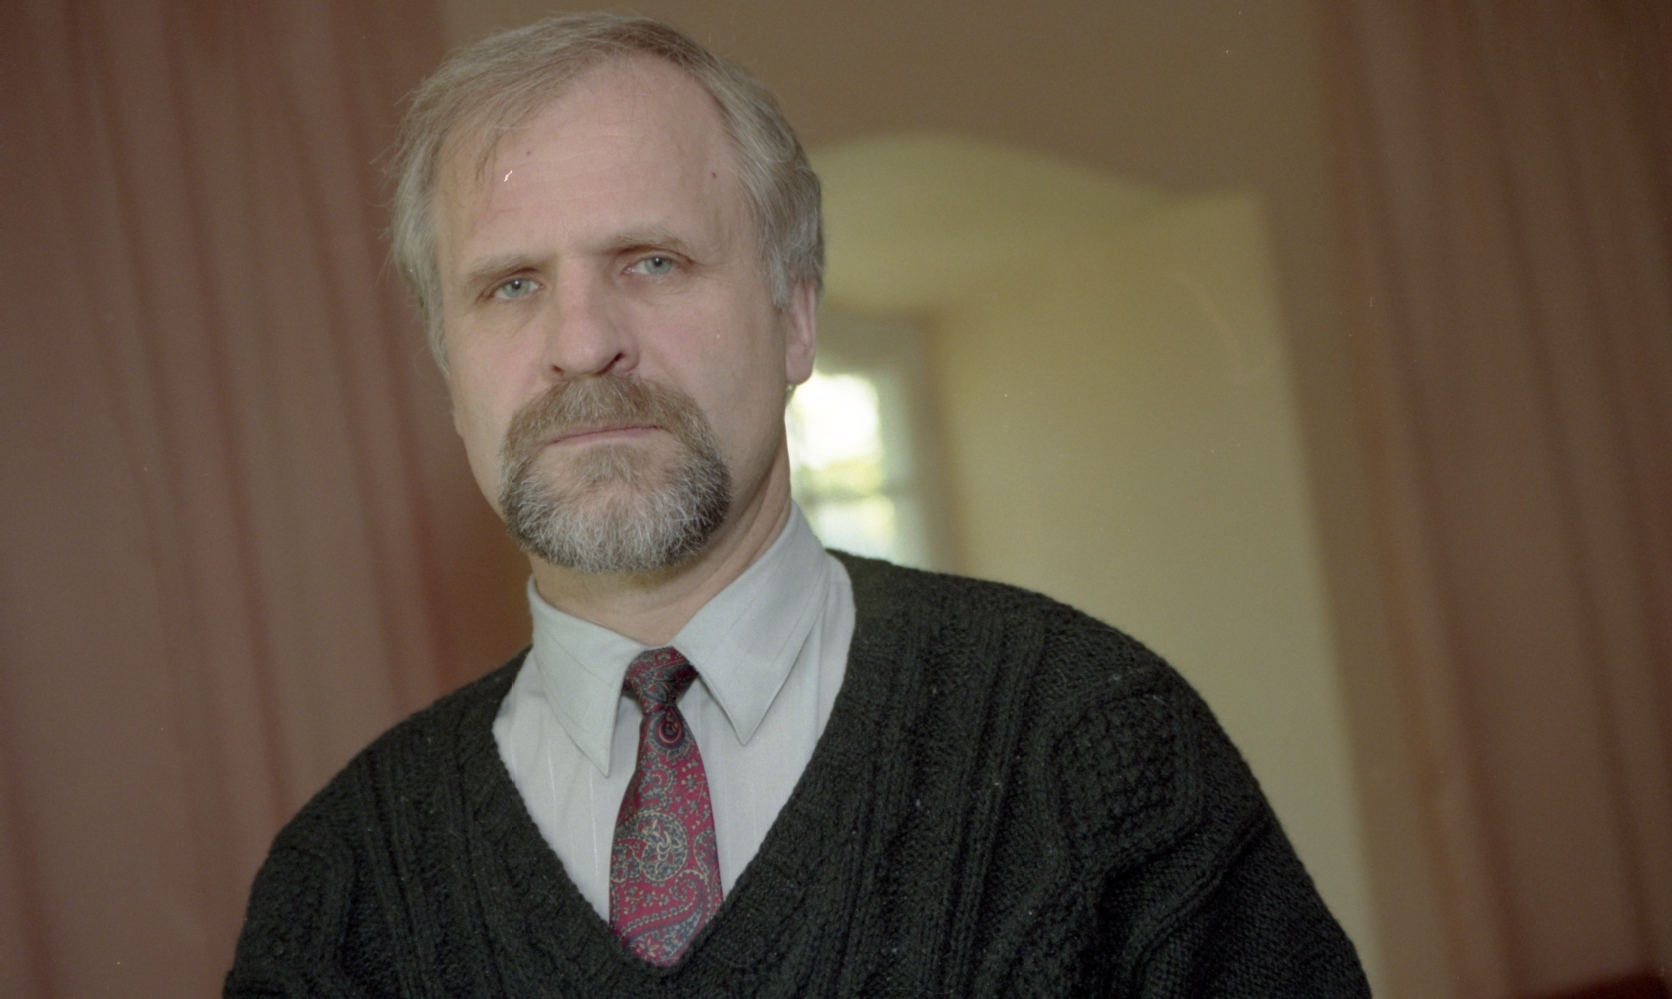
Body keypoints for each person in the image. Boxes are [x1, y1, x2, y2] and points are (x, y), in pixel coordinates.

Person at [226, 13, 1369, 997]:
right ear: (447, 369)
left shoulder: (1094, 748)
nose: (581, 340)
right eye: (510, 284)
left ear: (796, 317)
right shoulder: (339, 894)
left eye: (652, 261)